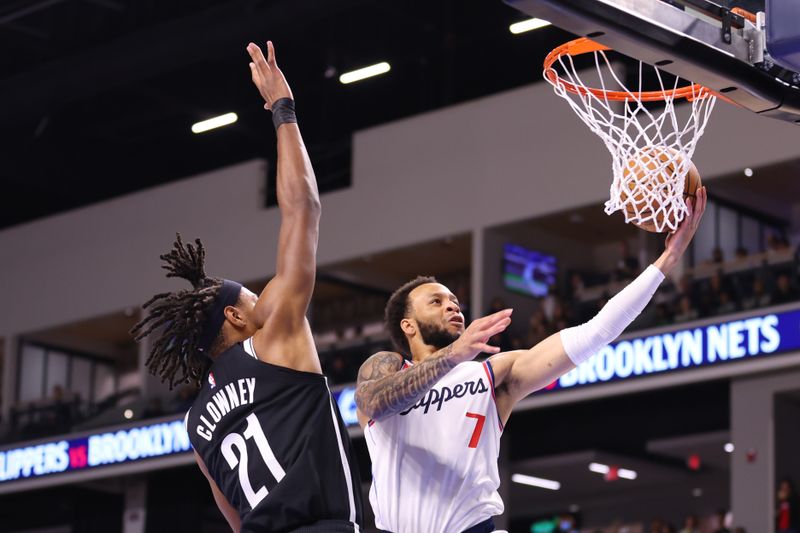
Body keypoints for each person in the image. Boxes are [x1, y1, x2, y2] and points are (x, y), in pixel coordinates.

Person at [355, 190, 707, 532]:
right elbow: (373, 403)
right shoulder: (385, 366)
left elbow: (595, 332)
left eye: (454, 300)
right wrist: (452, 355)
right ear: (408, 326)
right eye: (436, 301)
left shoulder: (493, 374)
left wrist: (667, 262)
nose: (452, 306)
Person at [131, 41, 362, 533]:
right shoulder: (273, 337)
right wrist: (284, 109)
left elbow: (237, 522)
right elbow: (304, 210)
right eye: (252, 296)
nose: (265, 296)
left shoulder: (196, 426)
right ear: (236, 317)